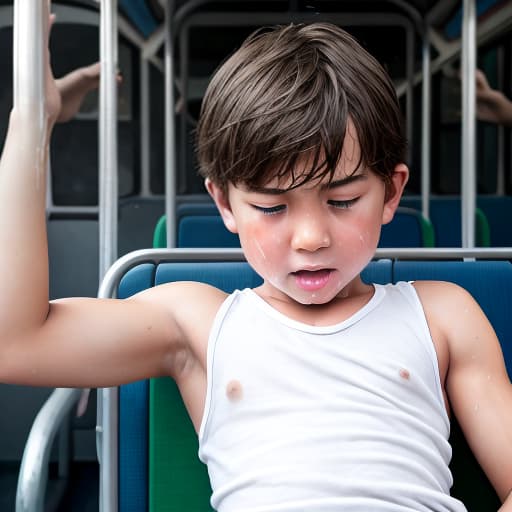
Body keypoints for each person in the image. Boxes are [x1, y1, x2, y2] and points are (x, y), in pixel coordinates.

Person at [0, 13, 511, 512]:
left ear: (390, 193)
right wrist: (31, 124)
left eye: (342, 201)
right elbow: (14, 343)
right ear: (225, 204)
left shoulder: (444, 314)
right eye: (271, 208)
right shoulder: (197, 322)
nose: (311, 238)